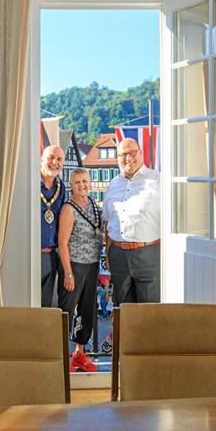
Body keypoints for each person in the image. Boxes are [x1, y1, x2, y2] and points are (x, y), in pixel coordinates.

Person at [102, 138, 161, 305]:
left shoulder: (158, 181)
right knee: (122, 310)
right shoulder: (113, 184)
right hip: (118, 256)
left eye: (132, 153)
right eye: (122, 155)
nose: (128, 158)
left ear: (140, 153)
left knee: (149, 311)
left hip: (149, 253)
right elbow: (108, 223)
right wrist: (108, 254)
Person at [58, 168, 102, 373]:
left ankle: (79, 353)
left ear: (91, 183)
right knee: (67, 310)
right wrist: (68, 273)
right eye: (77, 182)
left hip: (92, 264)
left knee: (86, 310)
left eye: (85, 181)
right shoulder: (69, 208)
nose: (82, 185)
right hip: (74, 265)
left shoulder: (93, 203)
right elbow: (62, 242)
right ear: (71, 185)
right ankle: (60, 356)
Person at [40, 145, 66, 307]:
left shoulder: (60, 187)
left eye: (59, 159)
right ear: (42, 159)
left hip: (51, 255)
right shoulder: (29, 183)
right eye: (51, 157)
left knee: (45, 304)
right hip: (31, 255)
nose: (55, 162)